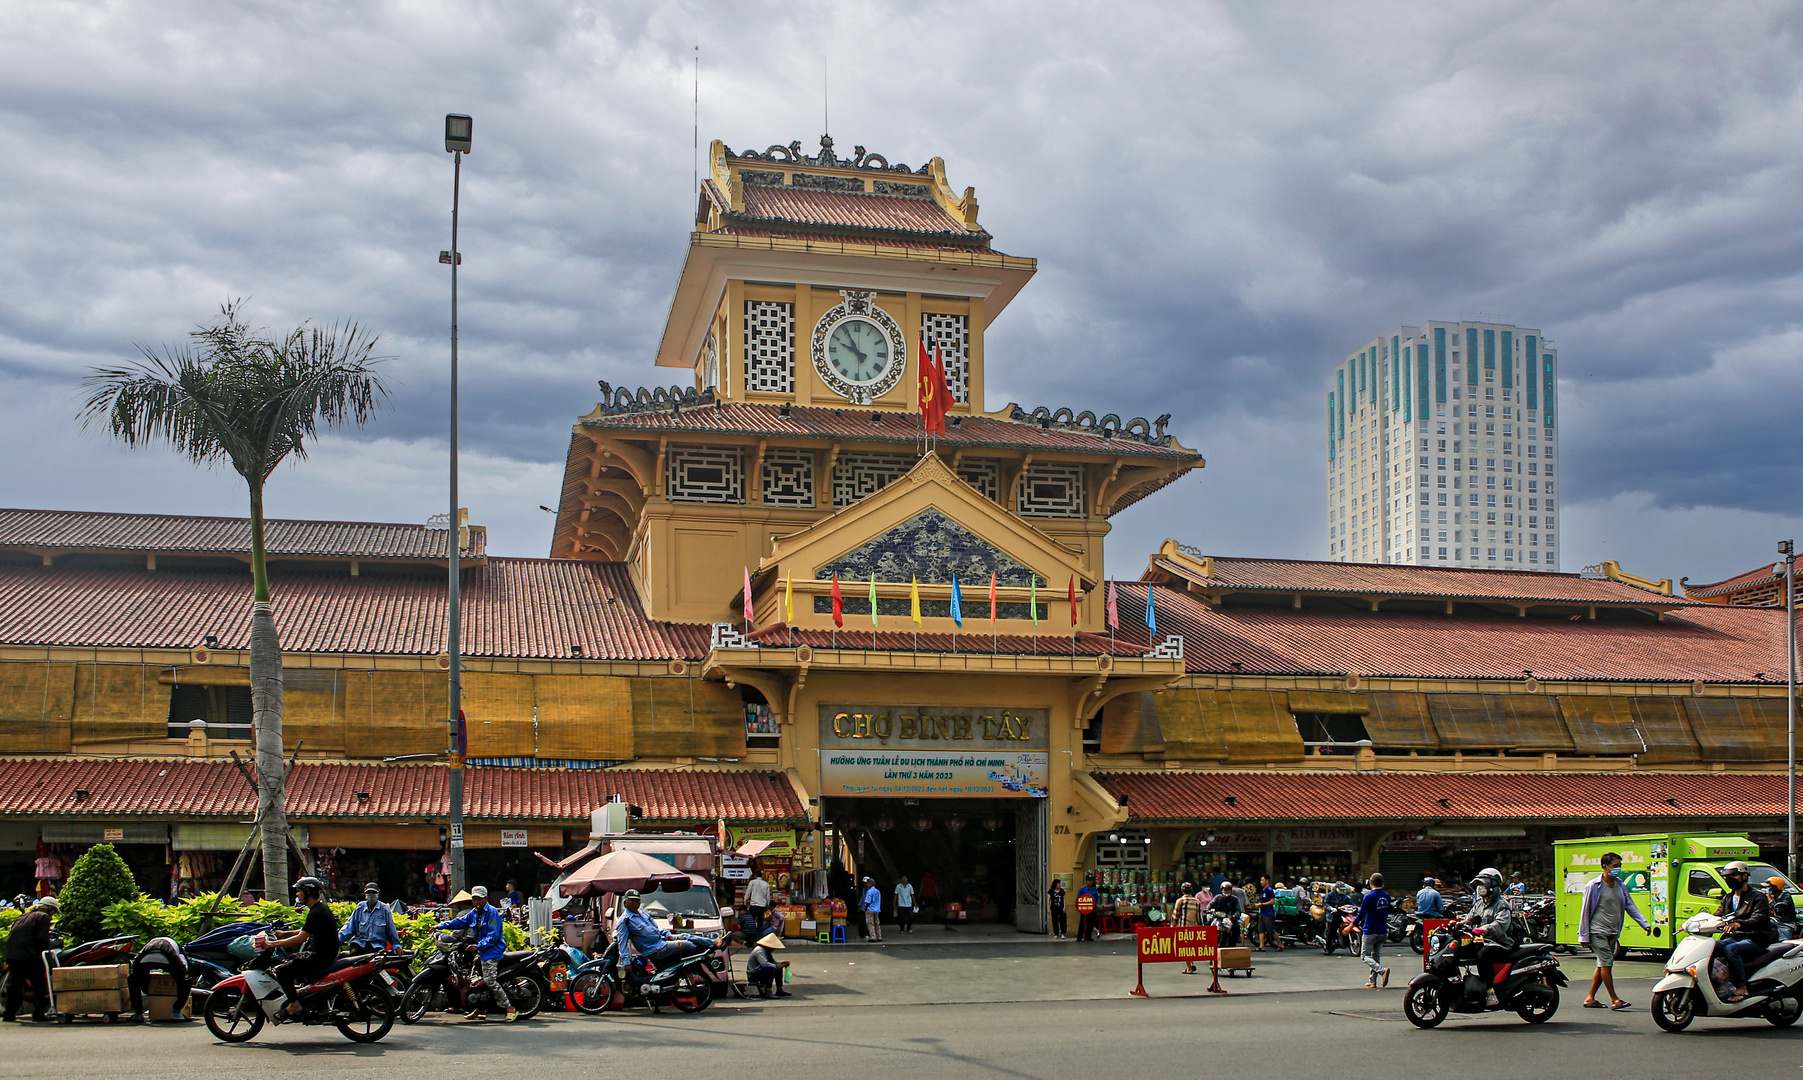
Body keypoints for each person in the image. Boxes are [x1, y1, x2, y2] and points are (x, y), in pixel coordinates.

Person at [1578, 851, 1651, 1011]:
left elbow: (1629, 906)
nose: (1618, 869)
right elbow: (1585, 911)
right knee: (1607, 963)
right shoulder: (1593, 886)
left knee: (1602, 965)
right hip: (1597, 931)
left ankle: (1590, 998)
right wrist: (1583, 935)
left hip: (1612, 932)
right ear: (1605, 867)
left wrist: (1643, 923)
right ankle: (1615, 999)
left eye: (1619, 866)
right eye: (1615, 866)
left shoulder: (1620, 885)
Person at [437, 885, 516, 1022]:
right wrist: (440, 926)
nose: (476, 902)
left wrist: (478, 946)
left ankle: (509, 1008)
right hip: (481, 950)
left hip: (492, 951)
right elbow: (460, 922)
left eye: (479, 899)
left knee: (489, 980)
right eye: (474, 899)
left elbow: (493, 935)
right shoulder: (474, 913)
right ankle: (481, 1008)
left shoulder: (492, 913)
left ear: (485, 899)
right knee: (476, 980)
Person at [269, 877, 339, 1019]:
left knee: (282, 971)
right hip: (323, 954)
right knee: (291, 962)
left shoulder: (316, 912)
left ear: (308, 892)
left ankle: (294, 1005)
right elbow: (307, 931)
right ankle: (314, 1001)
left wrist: (272, 944)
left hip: (319, 956)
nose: (297, 894)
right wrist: (284, 933)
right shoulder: (319, 909)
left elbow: (300, 939)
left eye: (299, 891)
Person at [1713, 860, 1775, 1003]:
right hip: (1735, 937)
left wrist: (1738, 924)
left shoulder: (1758, 897)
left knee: (1731, 949)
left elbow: (1759, 919)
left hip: (1756, 938)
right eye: (1727, 877)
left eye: (1734, 876)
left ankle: (1741, 986)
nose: (1729, 880)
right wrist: (1696, 923)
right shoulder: (1728, 898)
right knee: (1712, 946)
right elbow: (1717, 916)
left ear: (1745, 876)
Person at [1463, 867, 1516, 996]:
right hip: (1485, 941)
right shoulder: (1479, 904)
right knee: (1462, 950)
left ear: (1493, 886)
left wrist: (1483, 929)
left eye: (1483, 884)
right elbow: (1468, 919)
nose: (1480, 888)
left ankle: (1489, 989)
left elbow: (1500, 925)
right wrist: (1458, 924)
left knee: (1482, 955)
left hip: (1501, 944)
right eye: (1478, 885)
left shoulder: (1502, 905)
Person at [2, 897, 57, 1022]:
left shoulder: (23, 917)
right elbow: (41, 938)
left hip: (12, 954)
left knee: (15, 984)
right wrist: (44, 951)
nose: (52, 914)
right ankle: (38, 1014)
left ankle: (9, 1014)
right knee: (39, 983)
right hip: (28, 954)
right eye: (53, 911)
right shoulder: (43, 917)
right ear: (48, 908)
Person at [127, 934, 191, 1022]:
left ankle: (138, 1014)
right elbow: (184, 967)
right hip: (168, 956)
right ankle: (176, 1013)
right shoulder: (176, 947)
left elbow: (135, 963)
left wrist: (147, 986)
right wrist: (182, 976)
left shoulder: (148, 945)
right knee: (185, 980)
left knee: (133, 979)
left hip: (146, 958)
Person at [340, 882, 402, 952]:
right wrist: (338, 940)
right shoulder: (360, 907)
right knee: (354, 956)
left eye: (374, 893)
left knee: (374, 958)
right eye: (369, 893)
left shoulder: (384, 909)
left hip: (377, 944)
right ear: (364, 894)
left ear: (378, 894)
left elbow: (391, 930)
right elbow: (349, 927)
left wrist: (396, 945)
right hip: (359, 942)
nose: (371, 895)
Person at [1356, 873, 1392, 989]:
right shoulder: (1386, 896)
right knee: (1375, 956)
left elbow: (1361, 914)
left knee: (1364, 956)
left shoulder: (1369, 897)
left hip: (1370, 931)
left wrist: (1350, 926)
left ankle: (1382, 971)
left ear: (1370, 883)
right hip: (1383, 931)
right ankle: (1372, 981)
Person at [745, 931, 791, 998]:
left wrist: (781, 964)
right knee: (770, 969)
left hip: (761, 971)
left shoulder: (766, 951)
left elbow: (773, 962)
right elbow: (765, 964)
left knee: (778, 968)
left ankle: (779, 989)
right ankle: (768, 991)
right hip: (753, 974)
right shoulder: (759, 950)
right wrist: (778, 966)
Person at [1171, 883, 1204, 974]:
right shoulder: (1197, 901)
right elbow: (1199, 916)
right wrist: (1200, 927)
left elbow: (1176, 915)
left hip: (1184, 927)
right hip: (1194, 927)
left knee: (1185, 947)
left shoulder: (1180, 901)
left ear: (1182, 891)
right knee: (1191, 946)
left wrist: (1172, 926)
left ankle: (1189, 968)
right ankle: (1192, 963)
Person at [1207, 879, 1242, 947]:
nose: (1226, 891)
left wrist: (1235, 916)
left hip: (1229, 918)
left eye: (1228, 889)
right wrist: (1207, 910)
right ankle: (1209, 944)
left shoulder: (1234, 899)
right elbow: (1210, 905)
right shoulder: (1218, 897)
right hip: (1218, 918)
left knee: (1236, 927)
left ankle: (1233, 944)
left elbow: (1238, 909)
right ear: (1221, 890)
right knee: (1207, 925)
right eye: (1225, 889)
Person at [1255, 875, 1283, 952]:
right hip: (1262, 913)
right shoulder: (1263, 890)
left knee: (1271, 930)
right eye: (1261, 880)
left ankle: (1280, 944)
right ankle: (1262, 946)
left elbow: (1272, 901)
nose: (1261, 882)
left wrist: (1262, 904)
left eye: (1262, 880)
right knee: (1261, 929)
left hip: (1268, 913)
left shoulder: (1269, 890)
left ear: (1267, 881)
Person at [1075, 875, 1101, 942]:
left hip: (1092, 908)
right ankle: (1079, 936)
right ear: (1086, 881)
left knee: (1091, 923)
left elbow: (1097, 898)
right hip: (1084, 908)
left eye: (1091, 880)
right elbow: (1078, 899)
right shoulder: (1082, 889)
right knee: (1082, 923)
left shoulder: (1094, 889)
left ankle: (1088, 936)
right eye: (1089, 880)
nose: (1090, 882)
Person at [861, 876, 883, 942]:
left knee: (870, 924)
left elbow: (867, 901)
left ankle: (873, 937)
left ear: (870, 884)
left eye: (867, 883)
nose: (866, 885)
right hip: (877, 909)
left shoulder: (869, 891)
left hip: (870, 909)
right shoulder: (877, 891)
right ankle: (879, 936)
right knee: (877, 923)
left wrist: (865, 908)